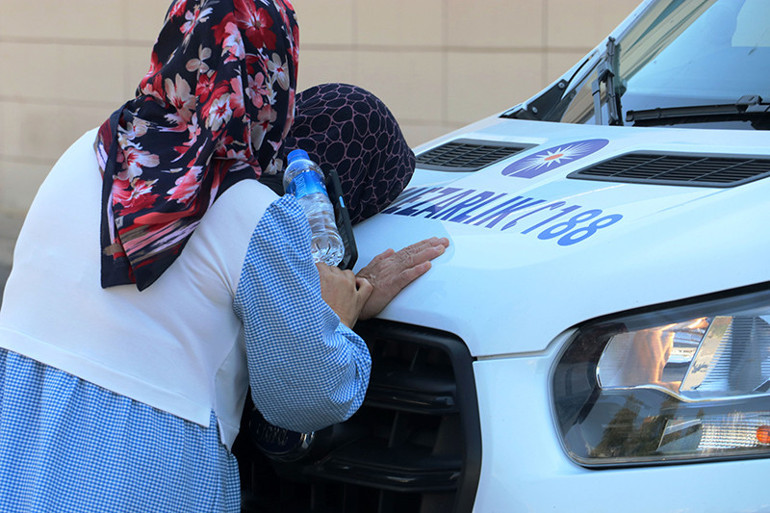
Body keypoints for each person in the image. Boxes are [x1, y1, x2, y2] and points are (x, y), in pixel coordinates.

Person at [0, 1, 448, 511]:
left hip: (18, 451)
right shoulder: (251, 212)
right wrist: (338, 318)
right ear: (273, 82)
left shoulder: (85, 153)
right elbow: (305, 399)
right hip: (144, 477)